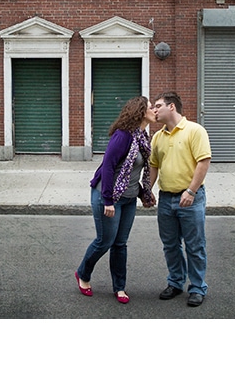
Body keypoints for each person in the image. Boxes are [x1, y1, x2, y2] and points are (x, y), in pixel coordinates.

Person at [75, 96, 157, 304]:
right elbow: (109, 167)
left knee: (120, 243)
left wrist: (142, 193)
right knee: (105, 241)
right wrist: (108, 201)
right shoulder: (123, 136)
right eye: (150, 107)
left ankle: (119, 287)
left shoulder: (142, 137)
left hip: (128, 199)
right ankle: (83, 274)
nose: (154, 110)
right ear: (140, 112)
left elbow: (132, 172)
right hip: (108, 196)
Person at [150, 91, 211, 307]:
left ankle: (197, 287)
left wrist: (191, 191)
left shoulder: (195, 131)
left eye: (158, 106)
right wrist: (147, 190)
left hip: (190, 198)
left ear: (172, 107)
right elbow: (154, 166)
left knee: (195, 245)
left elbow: (203, 162)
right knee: (170, 245)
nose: (154, 110)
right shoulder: (157, 137)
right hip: (166, 199)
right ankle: (175, 282)